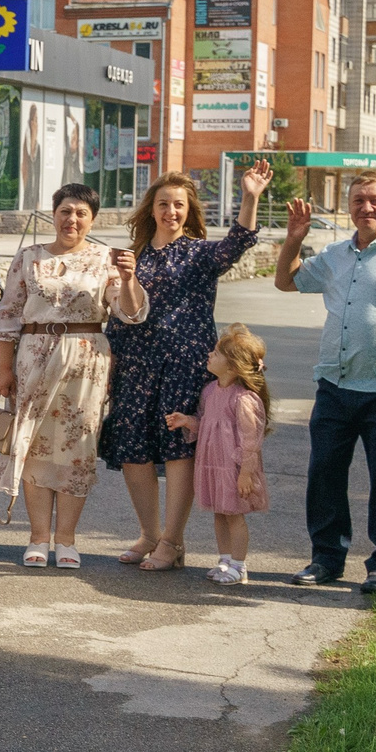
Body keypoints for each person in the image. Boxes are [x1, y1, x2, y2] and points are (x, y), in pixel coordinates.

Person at [99, 164, 270, 572]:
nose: (170, 212)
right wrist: (110, 359)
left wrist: (250, 196)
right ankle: (150, 533)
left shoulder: (198, 253)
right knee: (134, 451)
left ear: (188, 210)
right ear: (151, 209)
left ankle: (173, 541)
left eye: (178, 205)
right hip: (135, 364)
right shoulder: (134, 255)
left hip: (185, 363)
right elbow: (118, 311)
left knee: (178, 449)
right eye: (163, 204)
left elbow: (238, 242)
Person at [274, 169, 376, 594]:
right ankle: (326, 559)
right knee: (324, 475)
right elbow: (286, 280)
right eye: (358, 200)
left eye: (375, 200)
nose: (366, 208)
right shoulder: (334, 255)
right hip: (335, 386)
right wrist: (294, 238)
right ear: (349, 205)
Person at [0, 183, 148, 569]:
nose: (71, 220)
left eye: (80, 213)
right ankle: (38, 537)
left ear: (91, 218)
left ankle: (66, 540)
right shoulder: (28, 257)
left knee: (77, 449)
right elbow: (8, 316)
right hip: (35, 355)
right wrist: (2, 371)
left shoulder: (104, 259)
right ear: (53, 213)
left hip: (86, 359)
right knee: (33, 445)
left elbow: (129, 313)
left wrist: (128, 278)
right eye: (65, 211)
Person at [167, 323, 271, 587]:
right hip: (212, 464)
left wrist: (246, 473)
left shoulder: (244, 399)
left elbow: (251, 441)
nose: (210, 355)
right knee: (219, 512)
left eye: (217, 353)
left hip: (234, 468)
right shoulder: (210, 391)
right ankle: (224, 559)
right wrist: (188, 421)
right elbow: (208, 424)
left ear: (233, 366)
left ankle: (239, 565)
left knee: (234, 514)